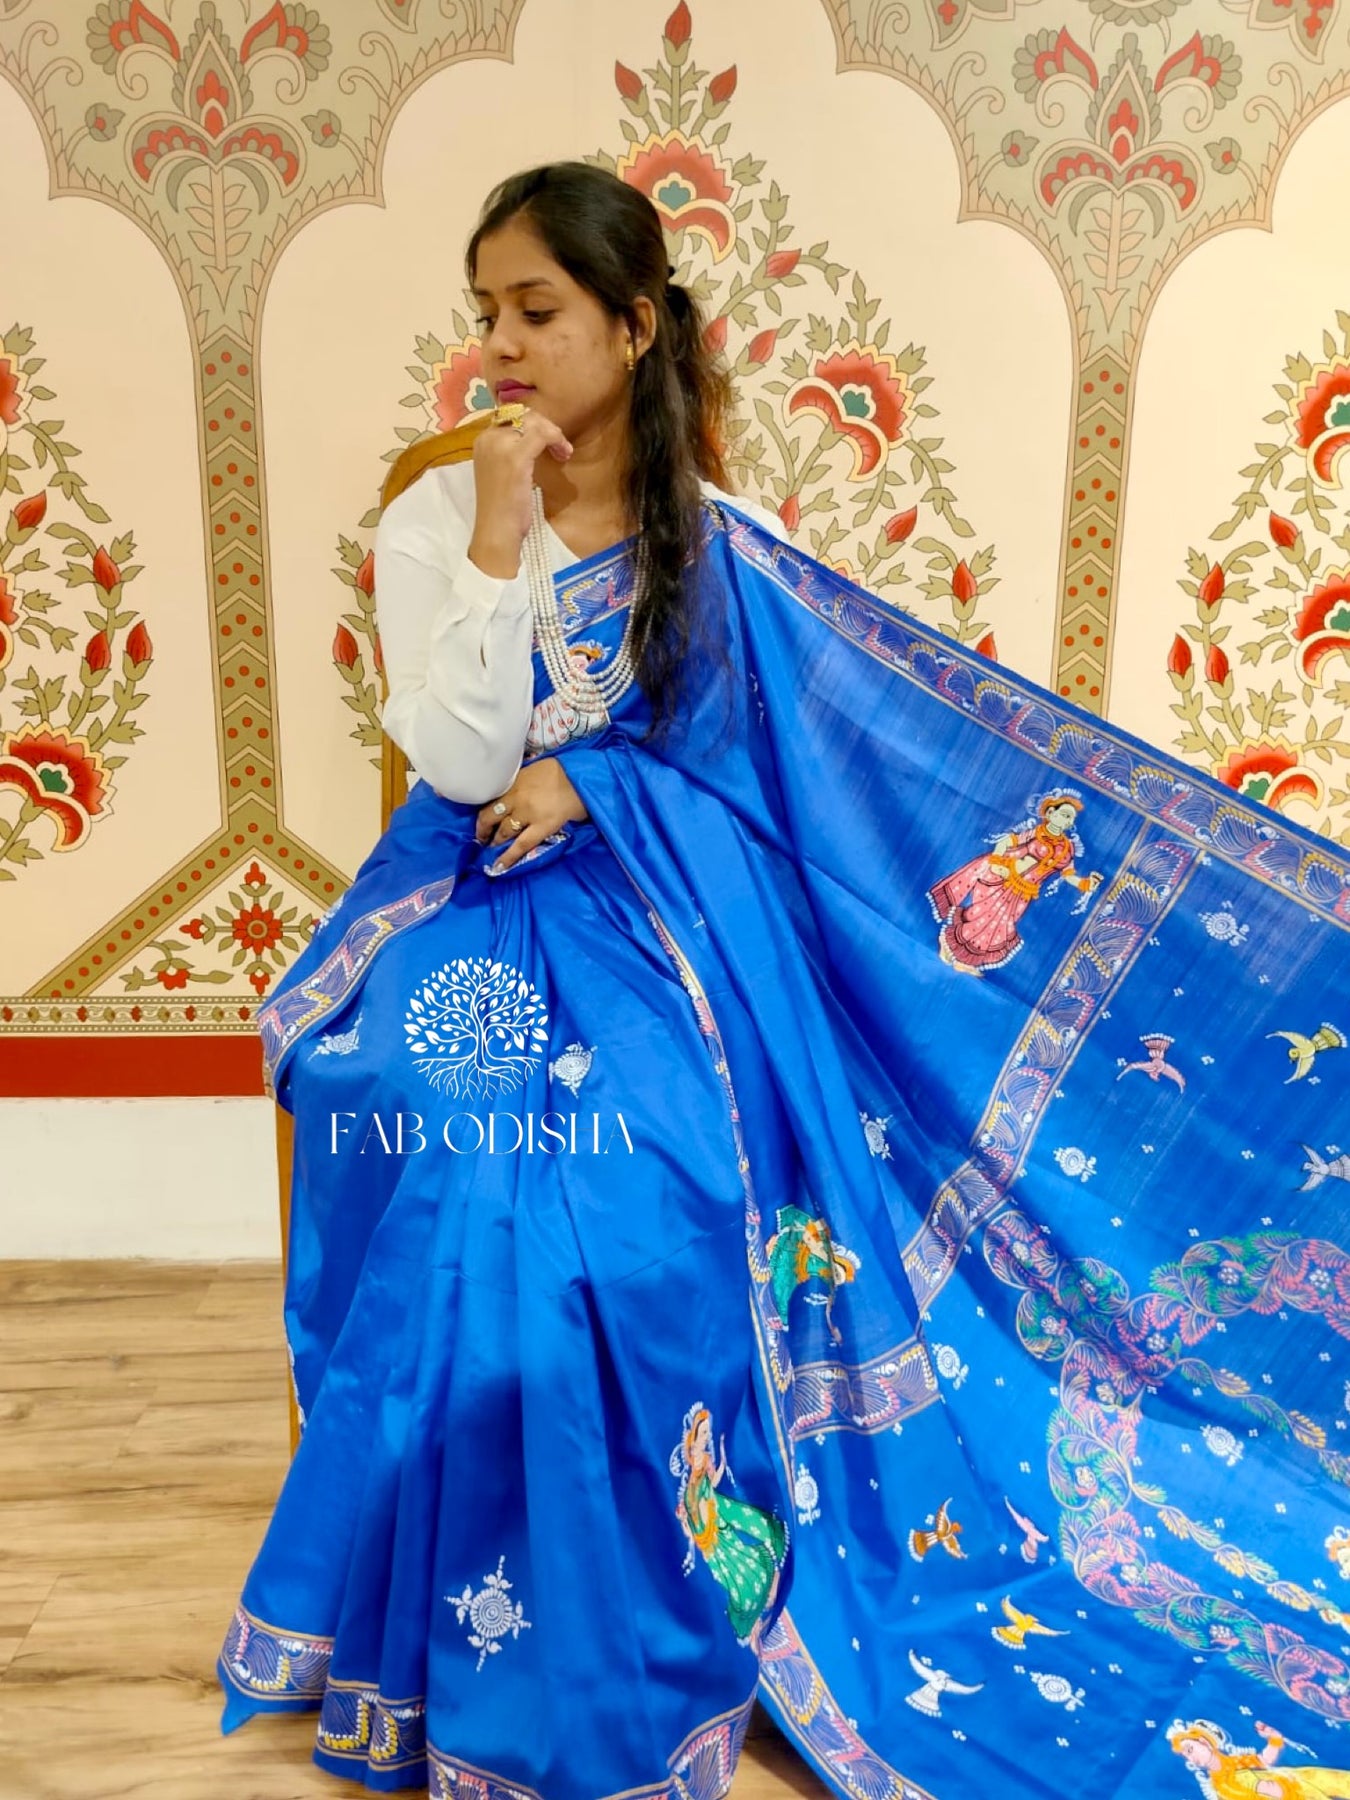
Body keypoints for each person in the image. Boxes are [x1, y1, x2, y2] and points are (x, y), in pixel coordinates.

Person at [217, 161, 1350, 1800]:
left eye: (536, 311)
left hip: (667, 917)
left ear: (633, 325)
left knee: (640, 1189)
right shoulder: (433, 515)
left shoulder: (720, 539)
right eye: (486, 314)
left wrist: (598, 783)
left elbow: (781, 772)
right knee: (451, 1153)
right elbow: (458, 763)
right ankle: (466, 1608)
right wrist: (493, 529)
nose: (501, 347)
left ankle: (627, 1569)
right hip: (466, 900)